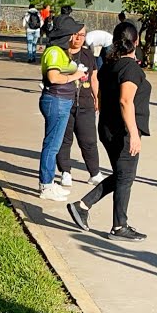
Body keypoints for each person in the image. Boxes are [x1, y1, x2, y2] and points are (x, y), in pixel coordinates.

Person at [67, 21, 150, 242]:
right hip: (122, 131)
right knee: (125, 178)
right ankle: (119, 226)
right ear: (136, 41)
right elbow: (125, 101)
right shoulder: (130, 68)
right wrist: (133, 133)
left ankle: (82, 206)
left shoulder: (108, 65)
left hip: (107, 128)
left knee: (122, 176)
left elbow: (103, 98)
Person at [37, 15, 89, 201]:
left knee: (55, 144)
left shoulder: (61, 52)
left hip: (61, 101)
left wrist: (76, 73)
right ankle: (46, 185)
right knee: (51, 145)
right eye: (73, 32)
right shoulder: (55, 52)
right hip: (56, 101)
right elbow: (53, 77)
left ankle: (49, 182)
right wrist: (74, 76)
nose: (75, 36)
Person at [54, 18, 104, 190]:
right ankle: (65, 171)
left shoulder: (88, 55)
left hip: (85, 103)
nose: (79, 38)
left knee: (89, 139)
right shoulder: (61, 53)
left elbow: (94, 77)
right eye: (76, 35)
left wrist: (97, 97)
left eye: (82, 35)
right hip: (65, 102)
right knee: (64, 139)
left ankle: (95, 173)